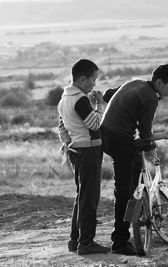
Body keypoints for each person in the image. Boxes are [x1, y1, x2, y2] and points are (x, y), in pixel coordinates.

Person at [100, 64, 168, 255]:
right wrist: (166, 134)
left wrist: (124, 114)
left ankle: (138, 217)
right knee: (125, 191)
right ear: (159, 82)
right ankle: (119, 242)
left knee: (134, 177)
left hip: (106, 135)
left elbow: (107, 95)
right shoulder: (150, 98)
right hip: (120, 140)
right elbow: (145, 135)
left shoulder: (135, 82)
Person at [57, 58, 109, 255]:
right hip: (89, 151)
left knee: (81, 197)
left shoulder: (64, 99)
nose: (94, 84)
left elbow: (61, 128)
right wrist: (99, 105)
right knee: (89, 199)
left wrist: (69, 144)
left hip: (76, 151)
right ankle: (86, 243)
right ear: (81, 79)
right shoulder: (80, 100)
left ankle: (75, 240)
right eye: (93, 80)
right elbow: (95, 125)